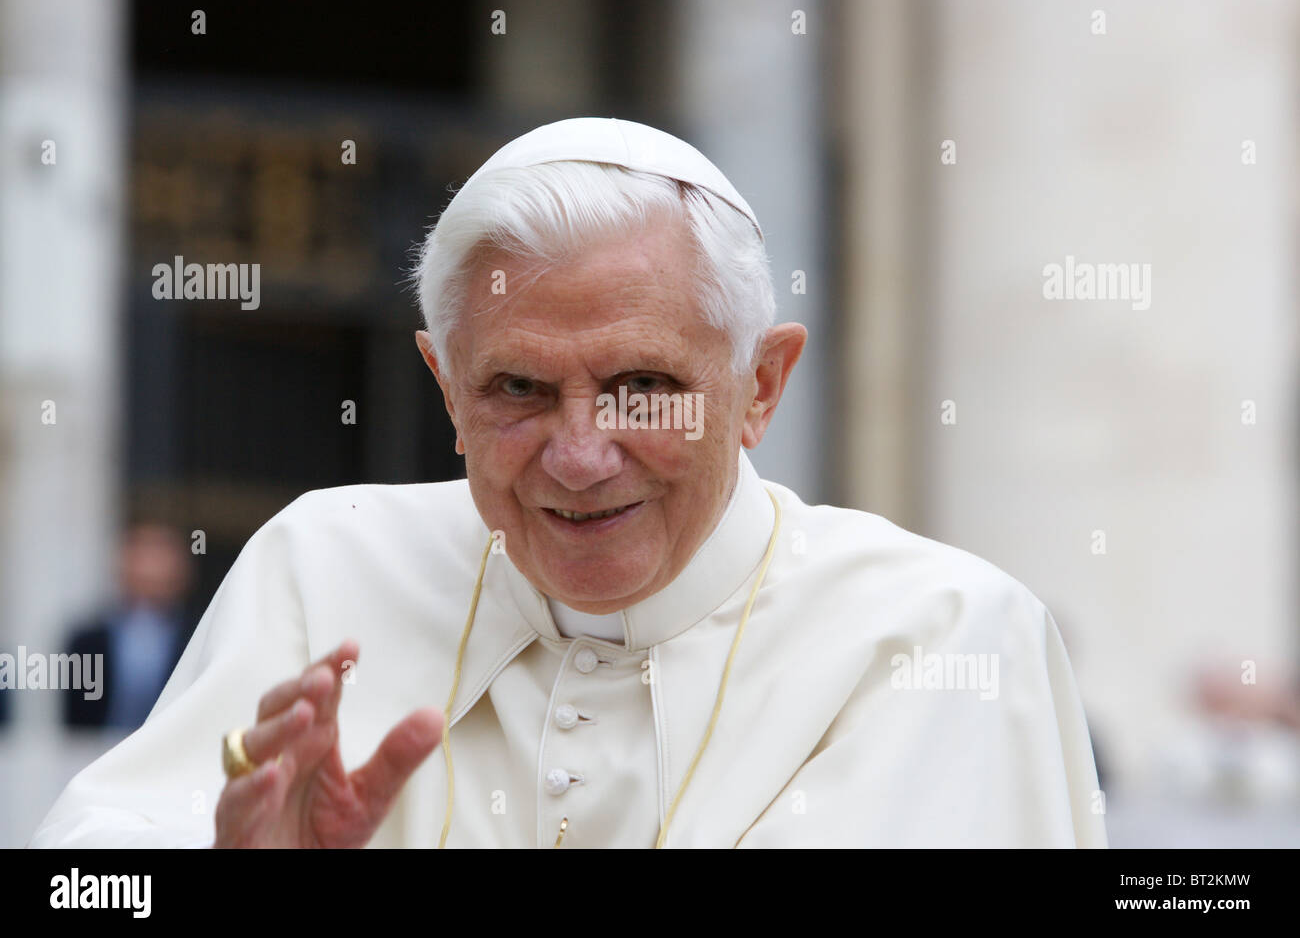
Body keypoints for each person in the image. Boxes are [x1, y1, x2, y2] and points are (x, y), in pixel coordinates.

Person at [30, 117, 1107, 848]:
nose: (581, 454)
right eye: (517, 388)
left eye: (643, 383)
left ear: (761, 385)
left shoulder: (941, 634)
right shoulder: (326, 561)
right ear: (444, 386)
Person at [61, 521, 195, 732]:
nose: (149, 568)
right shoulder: (86, 642)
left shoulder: (196, 640)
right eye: (141, 555)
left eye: (159, 555)